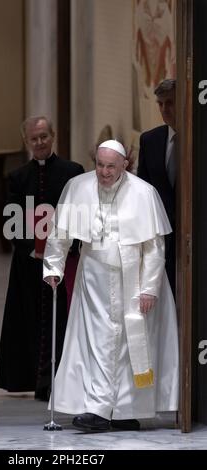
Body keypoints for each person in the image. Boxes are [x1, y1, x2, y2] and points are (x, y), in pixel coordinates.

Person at [43, 140, 179, 431]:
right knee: (98, 344)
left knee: (131, 348)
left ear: (124, 166)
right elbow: (61, 232)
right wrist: (53, 266)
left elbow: (155, 246)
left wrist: (149, 289)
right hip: (93, 280)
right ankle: (98, 408)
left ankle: (126, 412)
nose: (103, 173)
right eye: (99, 165)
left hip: (136, 280)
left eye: (110, 167)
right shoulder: (78, 187)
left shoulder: (144, 193)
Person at [0, 116, 84, 401]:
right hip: (29, 263)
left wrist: (67, 248)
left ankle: (62, 380)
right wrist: (30, 248)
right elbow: (10, 218)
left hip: (64, 263)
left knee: (63, 319)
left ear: (53, 136)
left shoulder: (73, 172)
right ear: (27, 142)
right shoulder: (18, 177)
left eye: (44, 136)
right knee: (31, 319)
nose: (40, 142)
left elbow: (80, 213)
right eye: (34, 138)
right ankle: (36, 379)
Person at [137, 78, 176, 294]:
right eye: (160, 104)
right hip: (160, 230)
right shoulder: (150, 140)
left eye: (169, 103)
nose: (164, 109)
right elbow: (143, 189)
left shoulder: (196, 137)